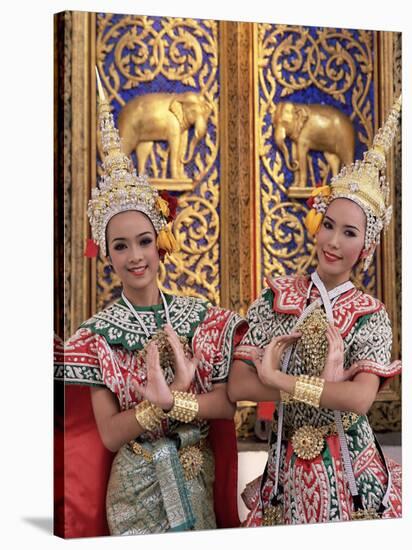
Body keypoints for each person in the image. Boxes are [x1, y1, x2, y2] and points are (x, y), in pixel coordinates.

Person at [54, 72, 246, 538]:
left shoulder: (202, 318)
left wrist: (176, 399)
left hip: (195, 477)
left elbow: (225, 406)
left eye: (143, 241)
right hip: (134, 489)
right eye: (121, 247)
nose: (135, 257)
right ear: (105, 252)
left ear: (161, 243)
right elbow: (109, 434)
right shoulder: (94, 337)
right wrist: (156, 408)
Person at [228, 97, 402, 525]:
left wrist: (277, 380)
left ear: (367, 246)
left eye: (349, 233)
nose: (333, 242)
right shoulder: (278, 297)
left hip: (353, 475)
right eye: (329, 225)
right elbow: (236, 386)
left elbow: (359, 400)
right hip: (287, 475)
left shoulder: (368, 313)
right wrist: (316, 389)